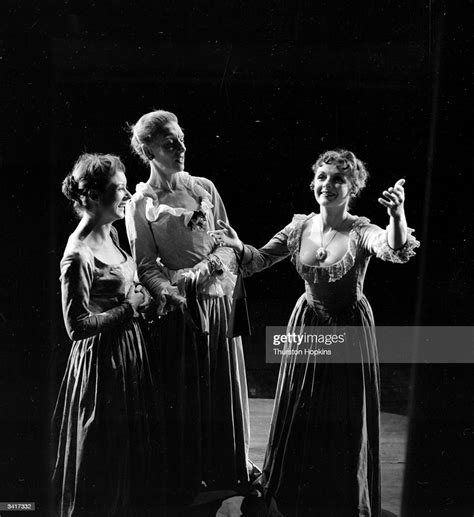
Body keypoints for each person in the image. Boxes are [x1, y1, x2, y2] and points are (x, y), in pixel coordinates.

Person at [210, 149, 420, 516]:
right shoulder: (298, 227)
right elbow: (258, 260)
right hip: (307, 321)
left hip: (349, 326)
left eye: (338, 178)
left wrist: (397, 215)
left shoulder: (360, 229)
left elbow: (392, 247)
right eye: (322, 177)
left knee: (344, 412)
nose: (328, 184)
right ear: (313, 182)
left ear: (352, 187)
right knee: (301, 406)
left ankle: (339, 496)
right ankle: (295, 489)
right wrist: (236, 245)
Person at [125, 110, 254, 509]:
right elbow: (145, 264)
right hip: (179, 311)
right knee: (186, 392)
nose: (181, 148)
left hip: (216, 302)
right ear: (148, 150)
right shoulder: (140, 204)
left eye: (181, 139)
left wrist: (208, 267)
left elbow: (227, 243)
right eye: (170, 143)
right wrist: (171, 291)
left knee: (220, 382)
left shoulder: (204, 188)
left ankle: (225, 466)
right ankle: (190, 472)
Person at [52, 153, 161, 516]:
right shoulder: (78, 254)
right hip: (101, 367)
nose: (127, 194)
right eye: (118, 189)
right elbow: (77, 327)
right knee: (104, 458)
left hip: (129, 352)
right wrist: (129, 307)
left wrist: (142, 301)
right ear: (94, 197)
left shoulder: (111, 232)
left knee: (128, 455)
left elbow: (123, 289)